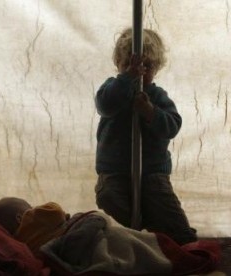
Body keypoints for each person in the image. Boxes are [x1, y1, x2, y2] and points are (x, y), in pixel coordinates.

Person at [94, 27, 197, 245]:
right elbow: (105, 106)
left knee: (171, 220)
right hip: (114, 170)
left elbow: (172, 126)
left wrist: (151, 112)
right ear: (119, 65)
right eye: (129, 65)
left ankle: (177, 239)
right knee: (107, 195)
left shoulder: (158, 96)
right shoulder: (113, 88)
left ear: (157, 67)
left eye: (145, 66)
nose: (138, 72)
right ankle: (146, 227)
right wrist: (125, 79)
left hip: (151, 172)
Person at [0, 197, 69, 253]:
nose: (34, 208)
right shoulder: (31, 220)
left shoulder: (21, 244)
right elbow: (56, 211)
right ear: (19, 218)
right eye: (30, 207)